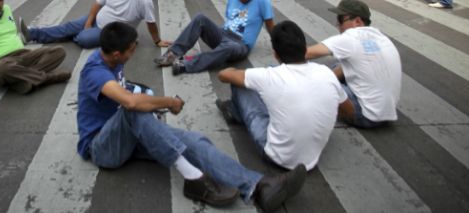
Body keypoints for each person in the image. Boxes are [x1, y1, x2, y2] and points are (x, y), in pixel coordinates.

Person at [77, 21, 308, 211]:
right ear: (117, 54)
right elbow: (129, 102)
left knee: (193, 141)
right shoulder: (94, 71)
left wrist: (151, 102)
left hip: (125, 136)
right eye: (131, 49)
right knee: (134, 110)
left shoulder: (113, 61)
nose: (135, 51)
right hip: (102, 147)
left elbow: (128, 92)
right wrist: (168, 102)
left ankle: (259, 186)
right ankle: (193, 178)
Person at [216, 20, 348, 170]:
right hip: (312, 159)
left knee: (240, 85)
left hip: (277, 157)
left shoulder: (270, 76)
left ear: (276, 54)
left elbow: (223, 75)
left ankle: (234, 112)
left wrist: (237, 71)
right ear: (305, 49)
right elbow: (348, 109)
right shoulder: (326, 73)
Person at [305, 0, 402, 128]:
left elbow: (305, 53)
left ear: (357, 21)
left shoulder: (351, 37)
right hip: (386, 114)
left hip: (364, 115)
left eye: (340, 20)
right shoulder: (382, 38)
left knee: (318, 81)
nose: (337, 25)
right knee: (340, 66)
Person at [20, 0, 169, 49]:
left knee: (84, 40)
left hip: (111, 32)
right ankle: (32, 34)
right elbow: (97, 3)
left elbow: (151, 22)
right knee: (68, 26)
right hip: (96, 19)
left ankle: (73, 35)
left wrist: (157, 41)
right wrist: (88, 22)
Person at [156, 0, 274, 75]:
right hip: (224, 33)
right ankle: (173, 53)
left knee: (230, 47)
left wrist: (278, 46)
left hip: (240, 44)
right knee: (200, 18)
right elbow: (229, 19)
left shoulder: (262, 1)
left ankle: (185, 65)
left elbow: (270, 26)